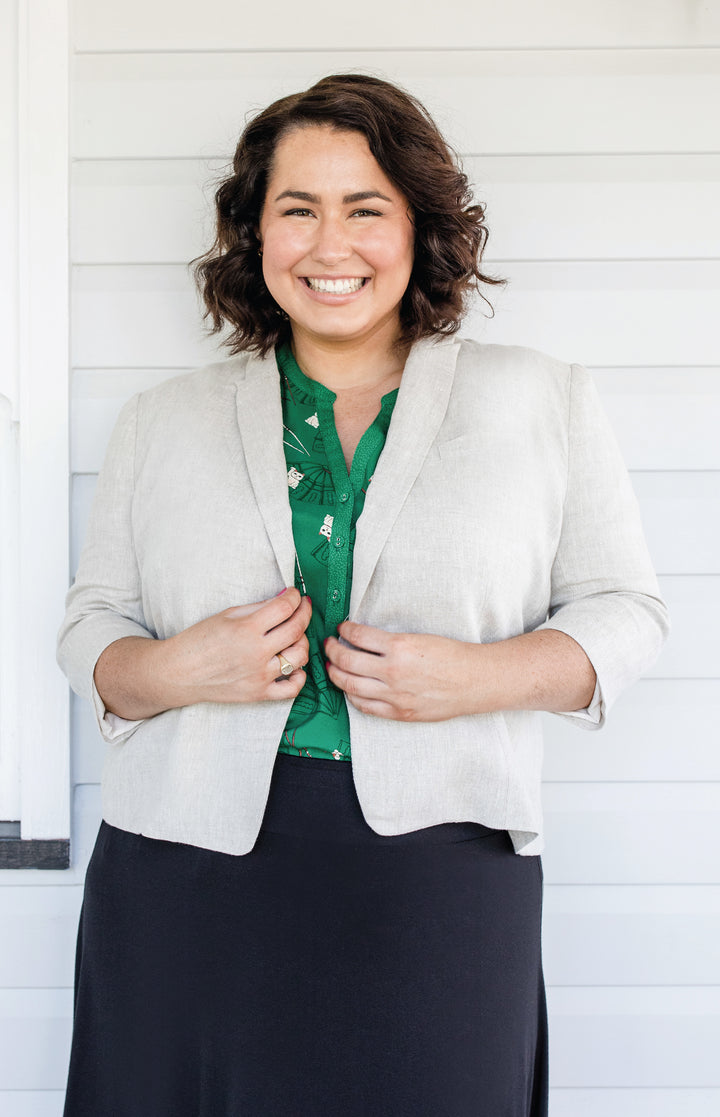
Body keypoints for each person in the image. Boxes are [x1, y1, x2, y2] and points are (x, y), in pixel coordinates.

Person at [57, 73, 669, 1117]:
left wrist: (478, 678)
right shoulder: (161, 420)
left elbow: (627, 613)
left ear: (420, 228)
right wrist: (172, 667)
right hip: (185, 875)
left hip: (440, 874)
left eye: (366, 209)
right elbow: (90, 629)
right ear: (253, 234)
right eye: (297, 209)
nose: (328, 245)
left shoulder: (541, 396)